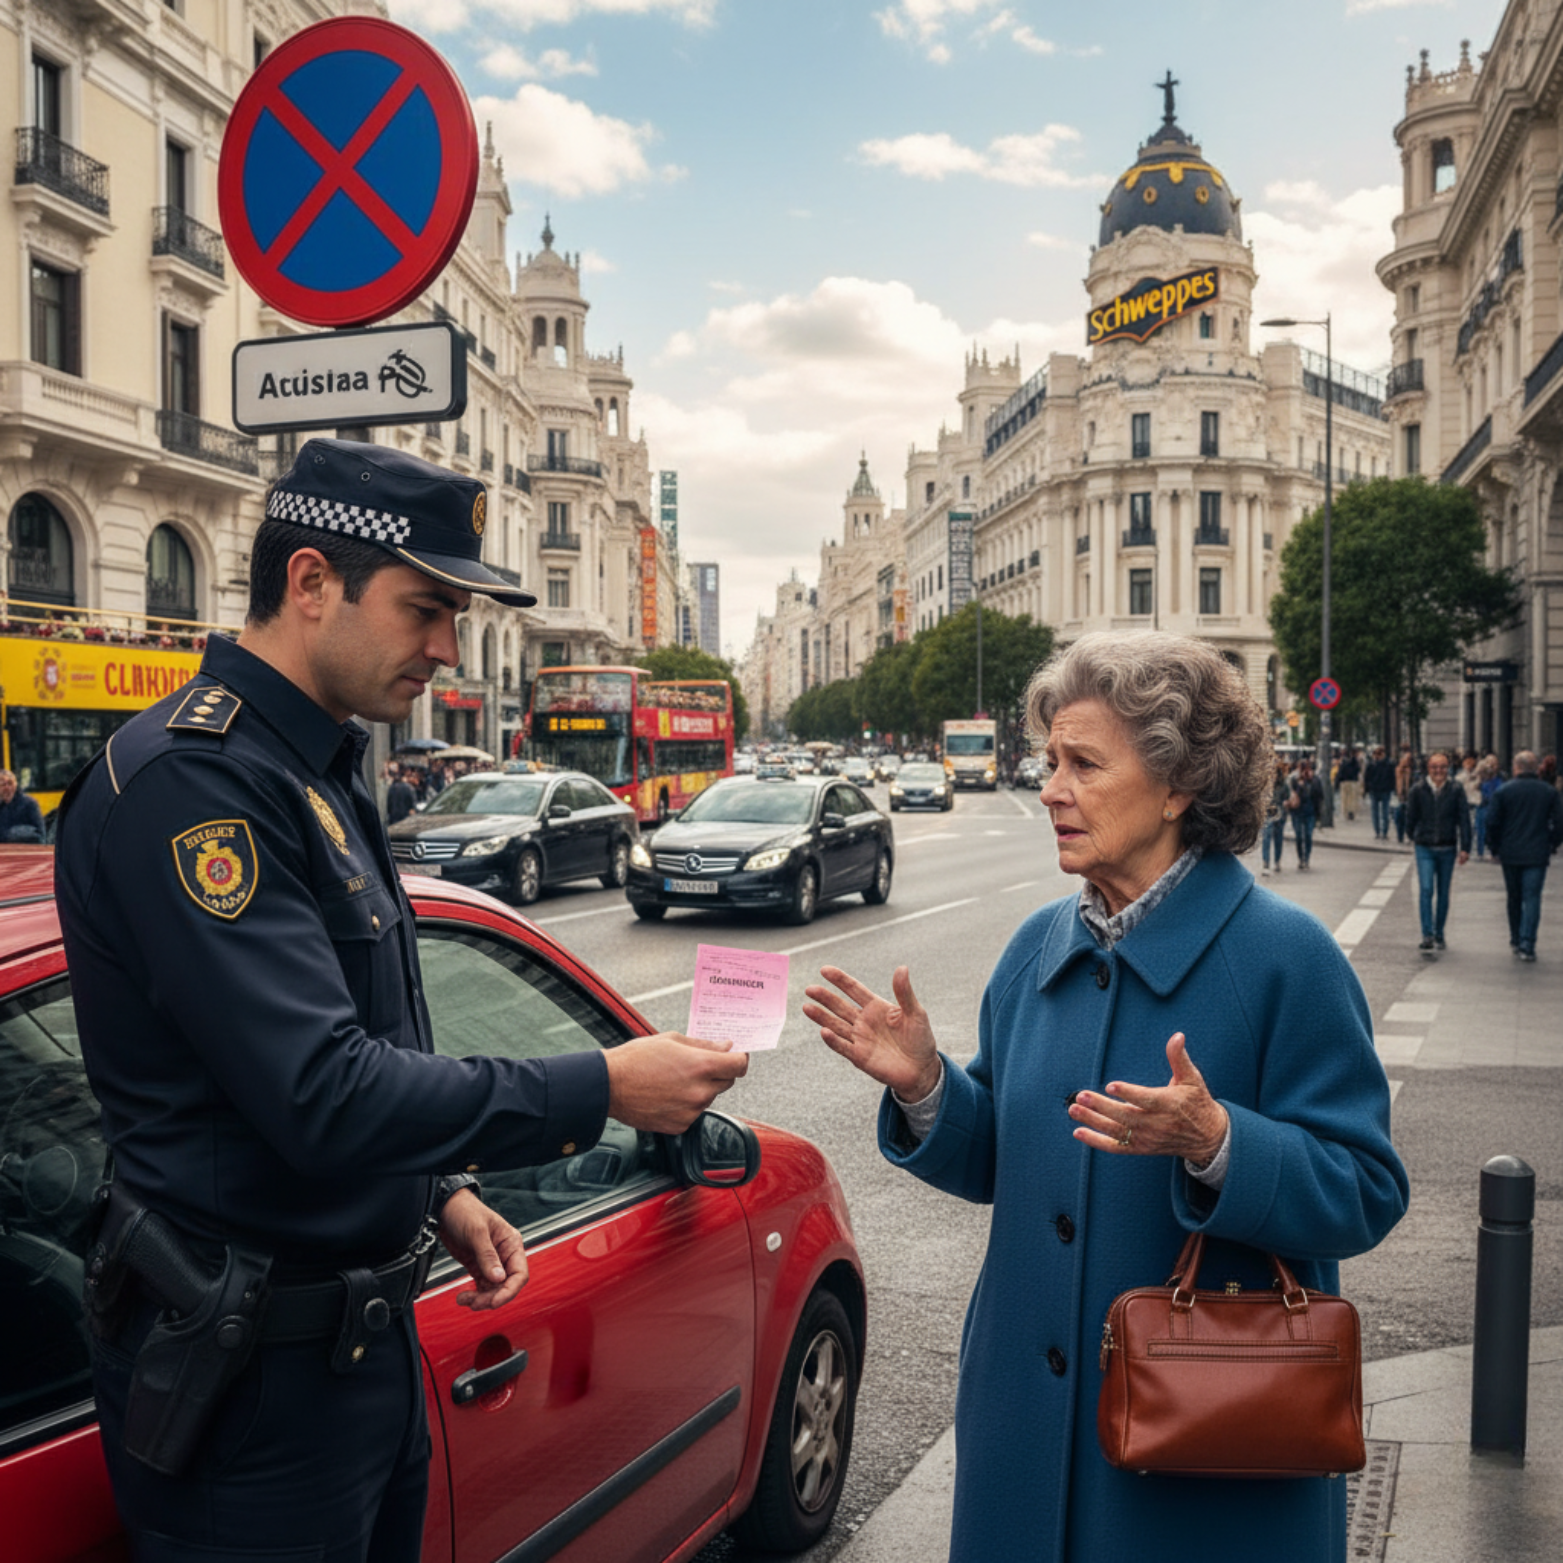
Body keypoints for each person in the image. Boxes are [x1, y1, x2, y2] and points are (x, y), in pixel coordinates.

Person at [53, 438, 749, 1563]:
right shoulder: (199, 788)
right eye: (425, 608)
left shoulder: (318, 765)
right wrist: (605, 1085)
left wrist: (441, 1191)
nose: (446, 646)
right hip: (251, 1395)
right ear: (312, 581)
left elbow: (366, 1032)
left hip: (357, 1357)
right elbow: (319, 1090)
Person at [804, 631, 1407, 1563]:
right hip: (1021, 1436)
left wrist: (1217, 1142)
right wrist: (929, 1086)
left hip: (1208, 1454)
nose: (1048, 786)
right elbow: (1002, 1158)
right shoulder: (1036, 948)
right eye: (1050, 760)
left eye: (1082, 762)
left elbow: (1366, 1187)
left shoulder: (1287, 959)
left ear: (1179, 786)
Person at [1485, 750, 1563, 961]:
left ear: (1515, 767)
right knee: (1532, 897)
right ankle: (1528, 943)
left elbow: (1492, 823)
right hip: (1537, 852)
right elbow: (1559, 823)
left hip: (1510, 852)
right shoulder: (1549, 792)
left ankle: (1516, 938)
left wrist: (1495, 848)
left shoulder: (1503, 791)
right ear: (1536, 767)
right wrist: (1552, 844)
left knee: (1514, 897)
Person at [1405, 751, 1471, 953]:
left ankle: (1439, 932)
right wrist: (1415, 835)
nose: (1438, 771)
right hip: (1424, 847)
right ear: (1428, 768)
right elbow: (1410, 817)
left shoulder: (1456, 789)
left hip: (1447, 847)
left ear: (1448, 768)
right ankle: (1427, 934)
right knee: (1426, 890)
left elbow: (1464, 820)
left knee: (1443, 892)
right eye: (1434, 767)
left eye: (1442, 767)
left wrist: (1465, 847)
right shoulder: (1418, 789)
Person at [1290, 757, 1323, 869]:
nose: (1304, 772)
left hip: (1311, 812)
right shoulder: (1295, 780)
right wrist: (1300, 786)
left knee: (1308, 835)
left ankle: (1307, 858)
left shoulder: (1315, 780)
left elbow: (1319, 795)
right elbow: (1293, 796)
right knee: (1299, 836)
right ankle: (1301, 858)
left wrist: (1311, 780)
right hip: (1298, 813)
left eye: (1306, 769)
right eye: (1302, 769)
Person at [1260, 758, 1289, 876]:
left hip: (1280, 814)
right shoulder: (1266, 786)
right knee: (1266, 837)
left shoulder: (1284, 786)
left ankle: (1277, 860)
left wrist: (1286, 804)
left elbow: (1287, 798)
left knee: (1278, 839)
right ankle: (1266, 863)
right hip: (1267, 814)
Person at [0, 768, 45, 841]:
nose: (7, 788)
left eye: (10, 783)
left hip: (25, 849)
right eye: (3, 785)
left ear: (15, 785)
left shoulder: (29, 804)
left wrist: (14, 833)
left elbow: (41, 834)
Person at [1364, 744, 1397, 840]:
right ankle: (1381, 832)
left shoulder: (1372, 764)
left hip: (1378, 790)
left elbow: (1367, 778)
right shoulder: (1389, 764)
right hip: (1382, 790)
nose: (1377, 756)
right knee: (1382, 812)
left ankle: (1380, 832)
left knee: (1379, 812)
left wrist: (1367, 788)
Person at [1336, 746, 1362, 821]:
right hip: (1353, 781)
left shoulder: (1343, 761)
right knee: (1352, 798)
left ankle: (1346, 812)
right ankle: (1351, 811)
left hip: (1344, 782)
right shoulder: (1356, 762)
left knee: (1344, 798)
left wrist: (1338, 782)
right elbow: (1358, 770)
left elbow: (1340, 772)